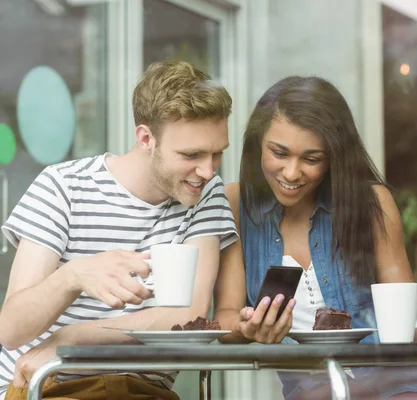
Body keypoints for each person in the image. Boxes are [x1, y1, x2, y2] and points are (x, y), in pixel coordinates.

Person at [0, 60, 238, 400]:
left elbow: (188, 314)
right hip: (47, 385)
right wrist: (73, 276)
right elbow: (11, 330)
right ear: (145, 138)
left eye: (217, 154)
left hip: (139, 391)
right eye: (192, 154)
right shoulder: (63, 186)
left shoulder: (207, 194)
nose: (207, 170)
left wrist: (74, 338)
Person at [213, 76, 417, 399]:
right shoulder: (235, 206)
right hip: (315, 393)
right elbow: (225, 316)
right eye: (279, 153)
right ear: (257, 145)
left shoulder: (370, 203)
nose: (292, 173)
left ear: (333, 157)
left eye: (311, 159)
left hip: (399, 388)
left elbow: (406, 324)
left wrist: (353, 385)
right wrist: (247, 329)